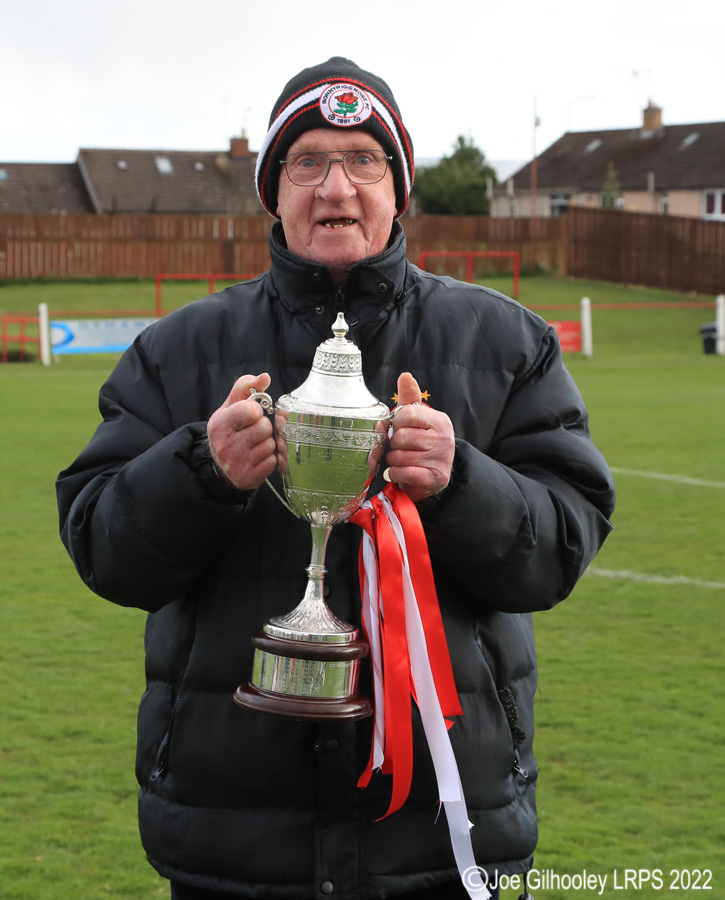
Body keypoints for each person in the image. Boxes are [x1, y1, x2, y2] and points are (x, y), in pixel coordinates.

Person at [57, 57, 615, 900]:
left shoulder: (507, 343)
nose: (336, 188)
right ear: (272, 191)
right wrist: (200, 472)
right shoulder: (176, 350)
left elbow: (561, 546)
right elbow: (104, 549)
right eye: (307, 161)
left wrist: (461, 481)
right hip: (234, 837)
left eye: (363, 160)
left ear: (399, 188)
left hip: (444, 825)